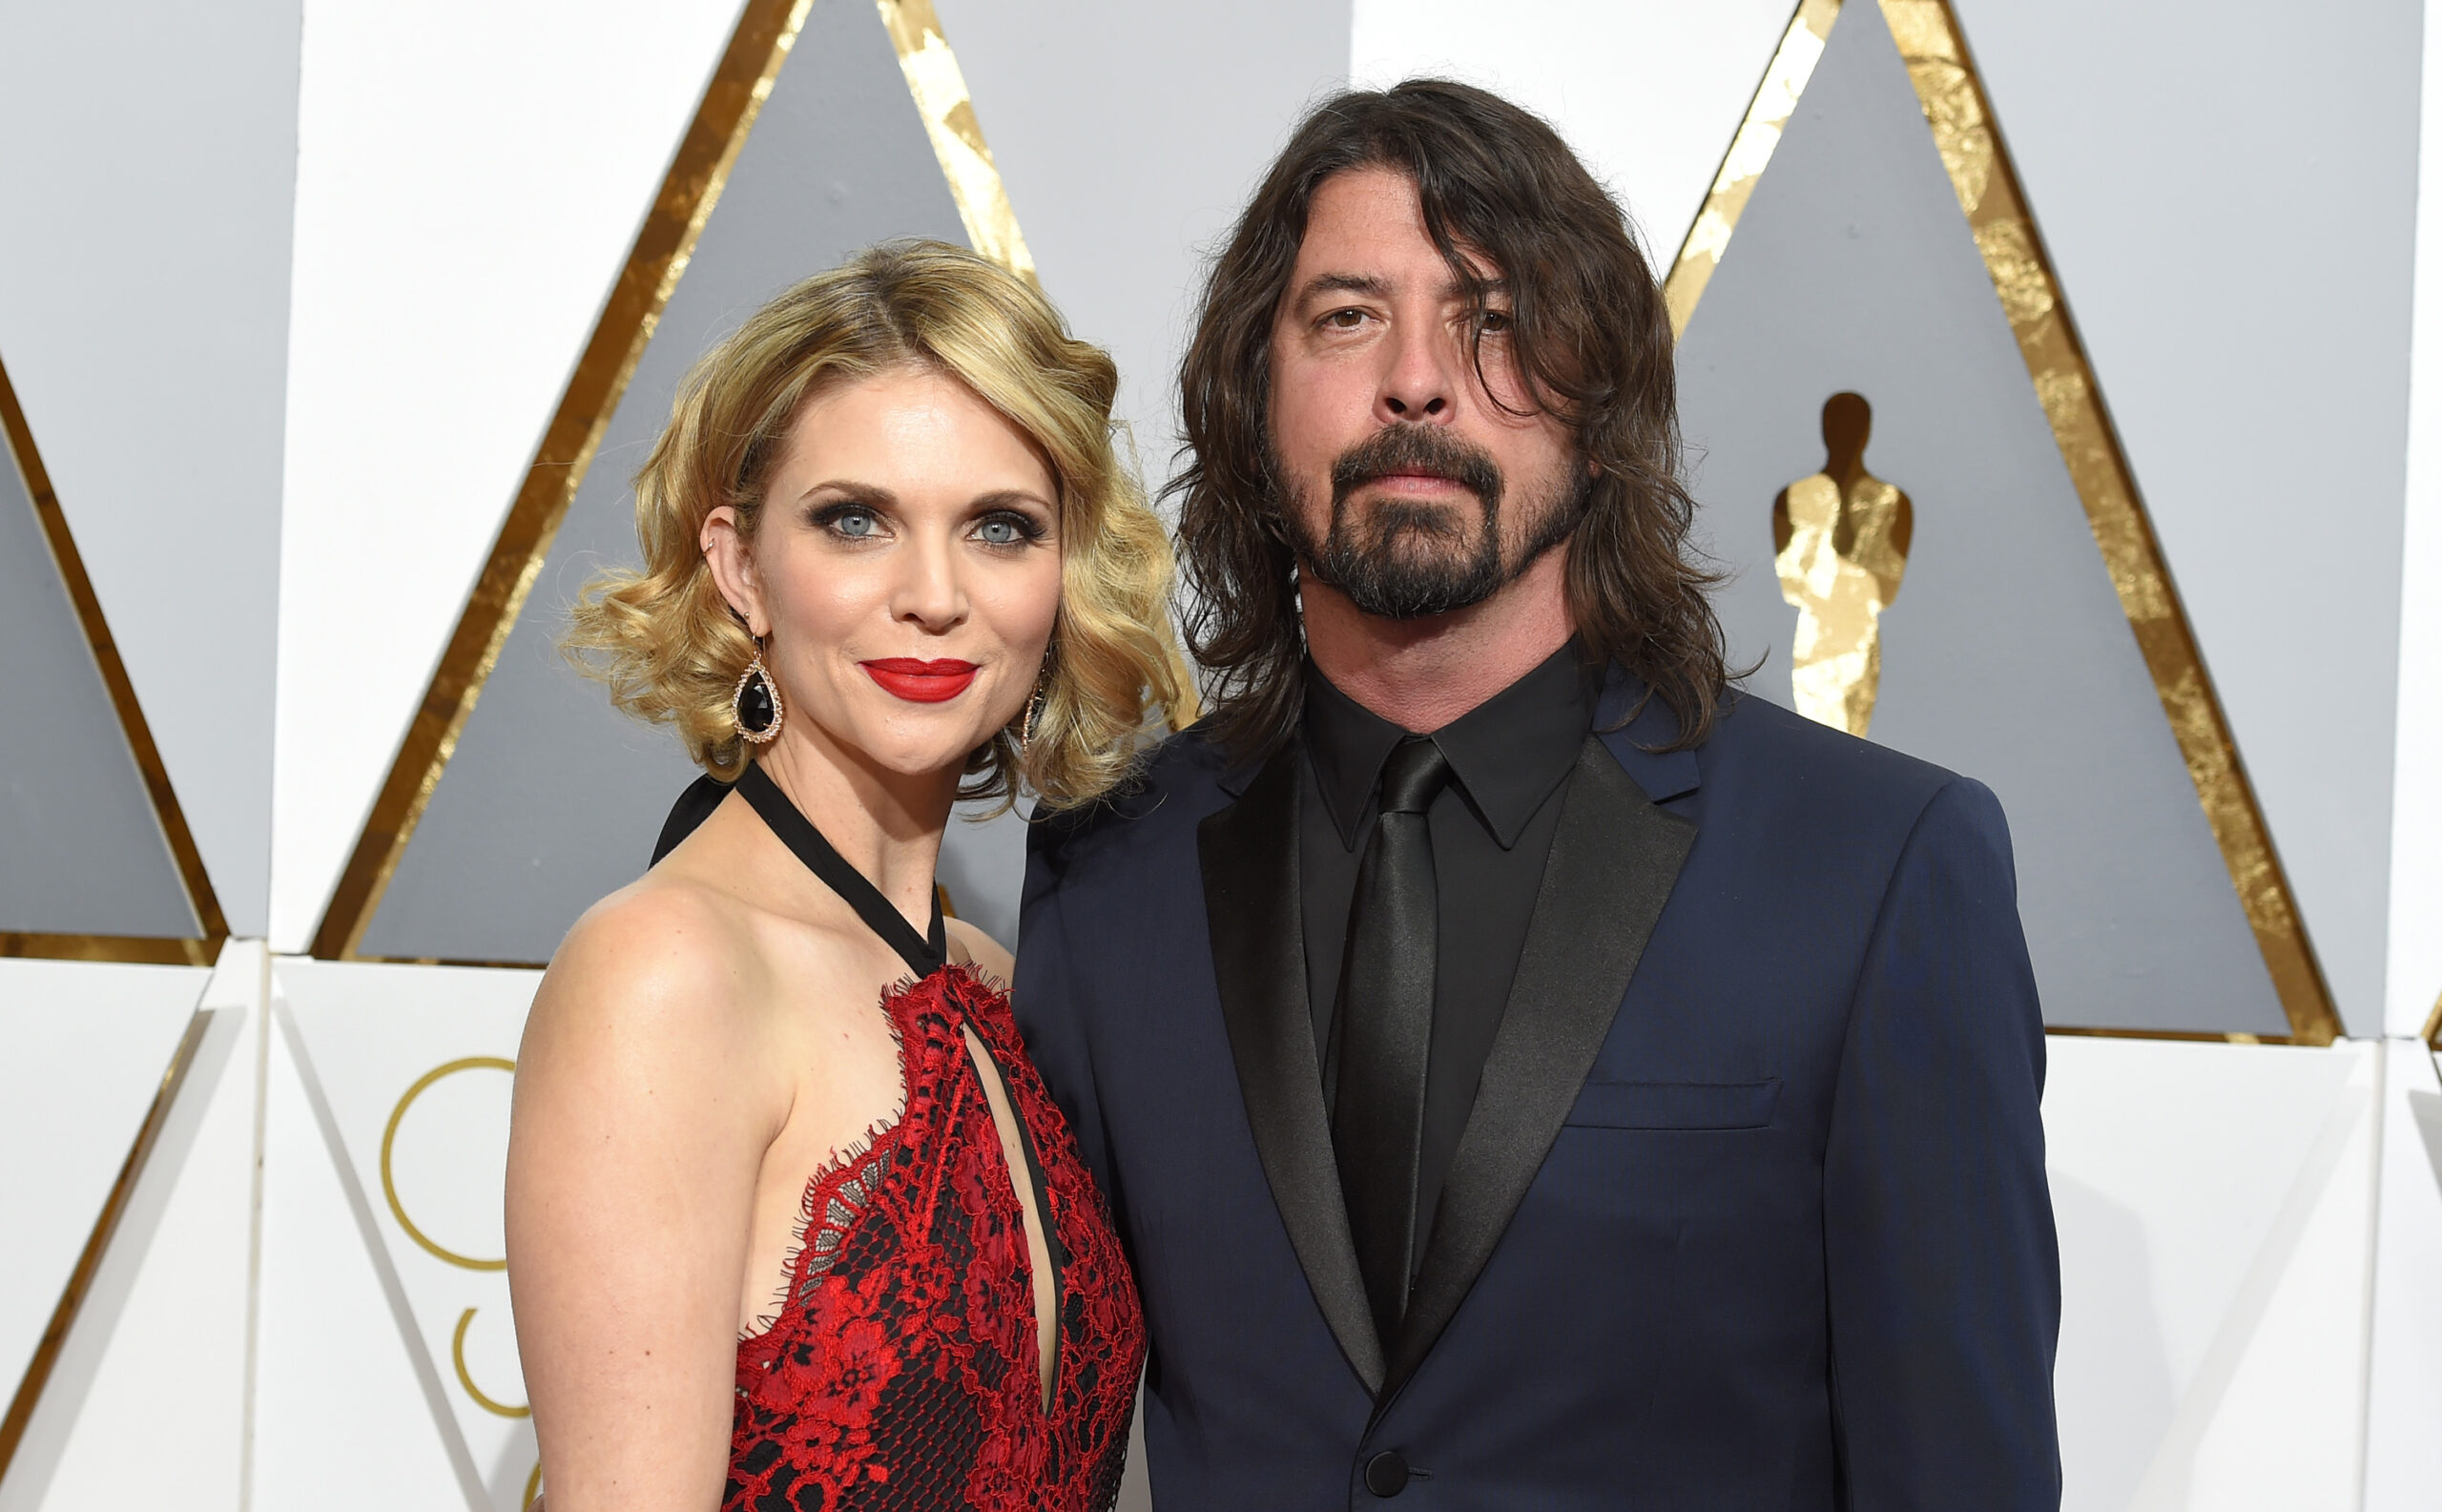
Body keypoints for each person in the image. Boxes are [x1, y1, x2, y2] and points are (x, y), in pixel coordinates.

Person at [1014, 81, 2060, 1508]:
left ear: (1601, 401)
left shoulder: (1876, 869)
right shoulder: (1105, 883)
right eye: (1346, 315)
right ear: (1254, 398)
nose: (1419, 380)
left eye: (1493, 319)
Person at [506, 240, 1183, 1512]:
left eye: (999, 526)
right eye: (854, 519)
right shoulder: (663, 975)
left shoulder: (999, 983)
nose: (933, 595)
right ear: (741, 566)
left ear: (1058, 577)